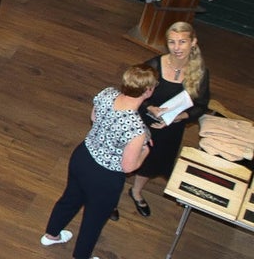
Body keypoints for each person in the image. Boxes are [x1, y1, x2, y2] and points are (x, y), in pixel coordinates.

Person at [41, 64, 156, 259]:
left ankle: (51, 235)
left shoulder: (107, 93)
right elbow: (128, 167)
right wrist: (147, 149)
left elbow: (94, 117)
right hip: (105, 177)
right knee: (93, 220)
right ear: (148, 91)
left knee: (70, 198)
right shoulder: (136, 129)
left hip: (83, 156)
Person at [124, 21, 211, 217]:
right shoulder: (154, 65)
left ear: (193, 42)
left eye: (182, 42)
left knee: (154, 160)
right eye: (172, 42)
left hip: (171, 127)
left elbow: (202, 105)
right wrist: (149, 107)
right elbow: (131, 92)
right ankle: (111, 197)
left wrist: (181, 116)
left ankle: (136, 191)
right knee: (125, 158)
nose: (177, 48)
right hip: (142, 122)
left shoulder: (200, 73)